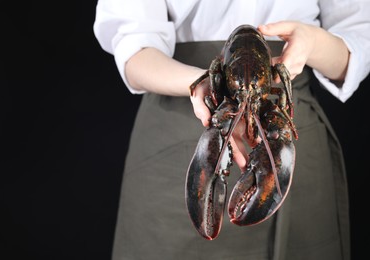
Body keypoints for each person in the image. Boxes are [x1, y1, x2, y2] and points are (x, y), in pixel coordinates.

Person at [93, 1, 370, 259]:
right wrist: (200, 83)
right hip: (176, 128)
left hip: (299, 155)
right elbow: (132, 46)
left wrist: (313, 42)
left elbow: (358, 40)